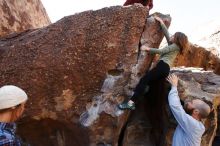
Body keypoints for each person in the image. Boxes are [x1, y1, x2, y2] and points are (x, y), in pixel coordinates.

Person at [119, 16, 189, 110]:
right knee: (157, 88)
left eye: (173, 36)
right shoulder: (174, 46)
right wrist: (162, 23)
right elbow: (167, 35)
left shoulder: (174, 46)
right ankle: (183, 105)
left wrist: (147, 49)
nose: (171, 36)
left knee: (144, 80)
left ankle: (131, 103)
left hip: (162, 66)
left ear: (177, 39)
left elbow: (161, 51)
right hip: (165, 69)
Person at [167, 74, 211, 146]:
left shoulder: (193, 125)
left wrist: (174, 86)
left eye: (191, 103)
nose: (188, 102)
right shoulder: (198, 125)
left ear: (196, 112)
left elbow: (175, 106)